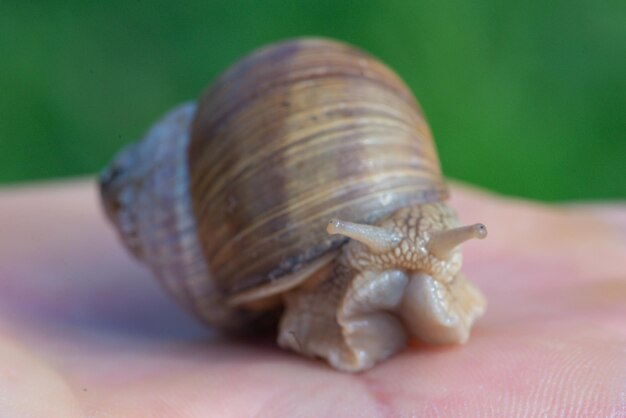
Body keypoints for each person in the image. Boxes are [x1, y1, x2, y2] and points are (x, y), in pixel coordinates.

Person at [0, 179, 624, 417]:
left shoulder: (408, 229)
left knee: (393, 254)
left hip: (361, 226)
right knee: (358, 254)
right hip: (278, 234)